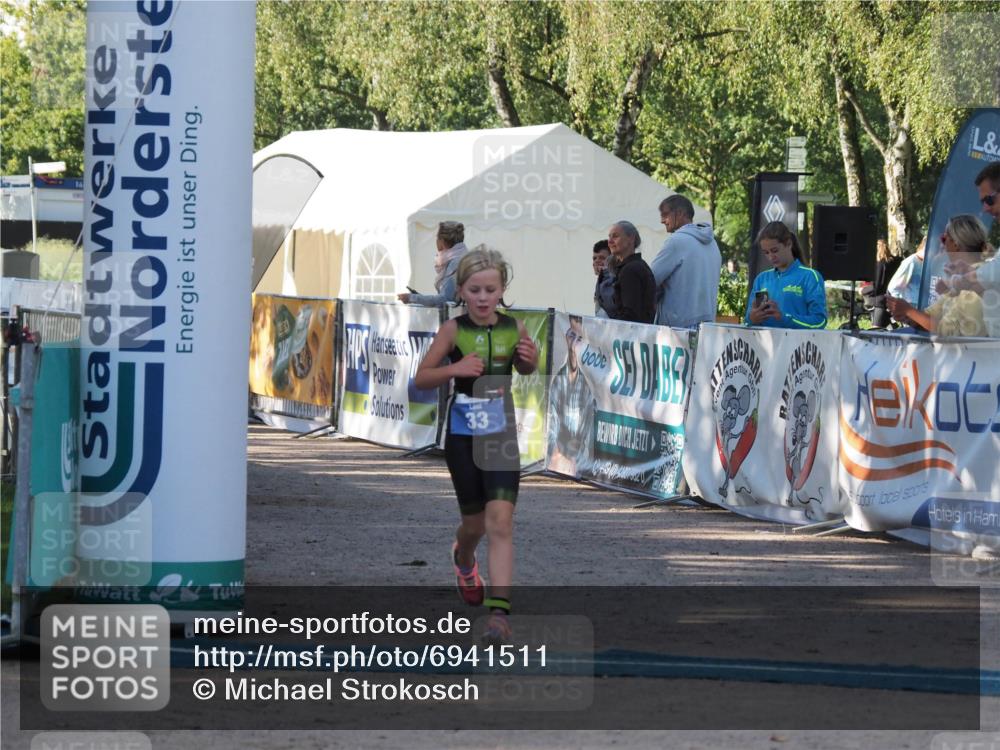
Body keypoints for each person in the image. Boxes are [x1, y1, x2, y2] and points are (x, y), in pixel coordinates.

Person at [413, 247, 539, 643]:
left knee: (500, 521)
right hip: (464, 437)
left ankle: (499, 616)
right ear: (461, 292)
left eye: (490, 289)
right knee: (475, 525)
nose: (483, 297)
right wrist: (455, 368)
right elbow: (422, 377)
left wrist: (530, 360)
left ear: (502, 290)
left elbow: (527, 367)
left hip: (500, 434)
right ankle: (463, 557)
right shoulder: (452, 330)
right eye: (474, 290)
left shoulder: (514, 327)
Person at [887, 214, 994, 336]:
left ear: (956, 244)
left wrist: (909, 311)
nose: (942, 244)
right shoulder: (962, 278)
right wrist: (909, 316)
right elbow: (932, 314)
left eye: (944, 239)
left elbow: (955, 333)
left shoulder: (979, 278)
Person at [650, 194, 722, 328]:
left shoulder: (676, 241)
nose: (662, 220)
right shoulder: (713, 244)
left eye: (665, 214)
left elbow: (649, 279)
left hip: (678, 329)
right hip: (707, 327)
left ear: (680, 213)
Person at [745, 222, 827, 329]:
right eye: (766, 252)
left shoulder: (810, 277)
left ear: (789, 244)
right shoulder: (762, 279)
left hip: (797, 344)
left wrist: (784, 318)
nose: (771, 257)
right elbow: (747, 320)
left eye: (775, 250)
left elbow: (820, 322)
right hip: (765, 344)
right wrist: (752, 318)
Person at [547, 315, 595, 476]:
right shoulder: (559, 379)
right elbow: (552, 420)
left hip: (580, 459)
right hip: (559, 458)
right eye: (571, 336)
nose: (574, 343)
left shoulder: (590, 381)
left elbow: (589, 427)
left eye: (579, 338)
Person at [398, 221, 468, 306]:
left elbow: (445, 299)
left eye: (437, 238)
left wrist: (412, 298)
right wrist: (419, 297)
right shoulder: (462, 258)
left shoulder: (455, 263)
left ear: (441, 241)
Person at [606, 220, 656, 324]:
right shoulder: (637, 265)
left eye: (615, 236)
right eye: (609, 237)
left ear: (631, 238)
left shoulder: (631, 270)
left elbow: (630, 315)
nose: (609, 241)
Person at [886, 237, 925, 307]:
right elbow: (893, 287)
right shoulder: (911, 261)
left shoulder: (924, 263)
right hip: (909, 307)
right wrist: (900, 307)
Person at [592, 240, 613, 316]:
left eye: (602, 258)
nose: (596, 261)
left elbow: (609, 308)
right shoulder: (602, 279)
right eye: (594, 258)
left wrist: (605, 272)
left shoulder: (613, 280)